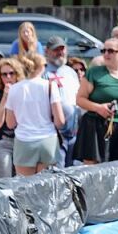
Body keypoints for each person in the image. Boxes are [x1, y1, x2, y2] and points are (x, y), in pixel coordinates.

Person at [74, 37, 118, 164]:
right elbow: (80, 99)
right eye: (103, 50)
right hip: (96, 127)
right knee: (93, 173)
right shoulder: (94, 73)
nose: (106, 54)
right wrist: (98, 108)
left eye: (110, 51)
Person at [3, 52, 64, 177]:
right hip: (48, 140)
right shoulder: (50, 86)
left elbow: (10, 123)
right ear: (42, 67)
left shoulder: (14, 89)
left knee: (25, 187)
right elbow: (60, 121)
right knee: (46, 186)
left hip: (24, 141)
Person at [44, 36, 80, 167]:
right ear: (47, 51)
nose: (60, 52)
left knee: (74, 170)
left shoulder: (70, 72)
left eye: (62, 49)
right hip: (55, 133)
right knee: (58, 172)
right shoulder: (43, 73)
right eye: (56, 50)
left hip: (74, 129)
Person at [0, 58, 22, 178]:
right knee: (5, 183)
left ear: (17, 74)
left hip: (22, 141)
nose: (8, 77)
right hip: (3, 142)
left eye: (11, 73)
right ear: (0, 77)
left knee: (22, 183)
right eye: (4, 74)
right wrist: (5, 97)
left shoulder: (24, 93)